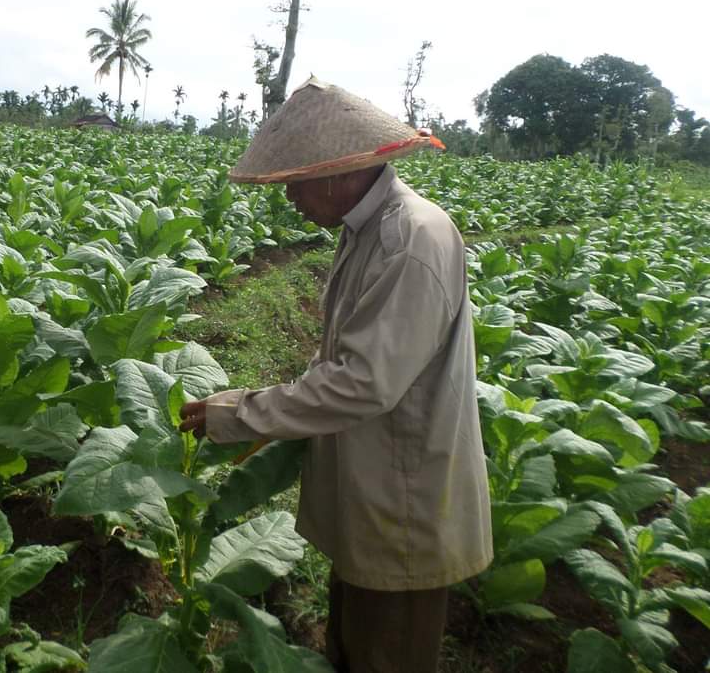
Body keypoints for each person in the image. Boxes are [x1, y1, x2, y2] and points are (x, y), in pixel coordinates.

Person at [179, 78, 492, 673]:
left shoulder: (408, 239)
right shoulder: (368, 229)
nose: (290, 199)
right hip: (377, 490)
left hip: (404, 502)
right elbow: (344, 360)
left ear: (334, 172)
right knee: (352, 644)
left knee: (386, 653)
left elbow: (361, 383)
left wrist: (242, 414)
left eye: (295, 183)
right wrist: (259, 411)